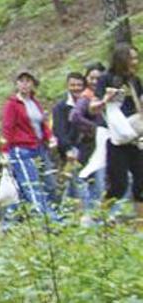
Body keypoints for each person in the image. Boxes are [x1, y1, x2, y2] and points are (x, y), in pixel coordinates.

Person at [1, 70, 60, 224]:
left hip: (39, 148)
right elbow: (7, 128)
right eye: (21, 81)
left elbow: (41, 124)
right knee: (31, 186)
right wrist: (5, 152)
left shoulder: (34, 103)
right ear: (16, 84)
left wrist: (50, 137)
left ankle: (11, 222)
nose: (24, 84)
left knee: (49, 185)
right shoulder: (13, 104)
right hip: (21, 150)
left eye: (28, 81)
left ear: (33, 84)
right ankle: (49, 221)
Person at [95, 43, 143, 225]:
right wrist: (106, 99)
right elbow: (94, 107)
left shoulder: (135, 81)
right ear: (121, 59)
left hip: (135, 136)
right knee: (118, 184)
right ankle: (102, 219)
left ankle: (140, 227)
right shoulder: (106, 79)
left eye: (136, 58)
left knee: (141, 182)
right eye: (131, 58)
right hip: (115, 138)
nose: (135, 62)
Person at [69, 62, 108, 219]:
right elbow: (75, 116)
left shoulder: (103, 94)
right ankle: (93, 220)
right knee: (96, 184)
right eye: (91, 78)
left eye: (98, 78)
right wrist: (95, 128)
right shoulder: (86, 97)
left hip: (106, 146)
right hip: (92, 147)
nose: (94, 81)